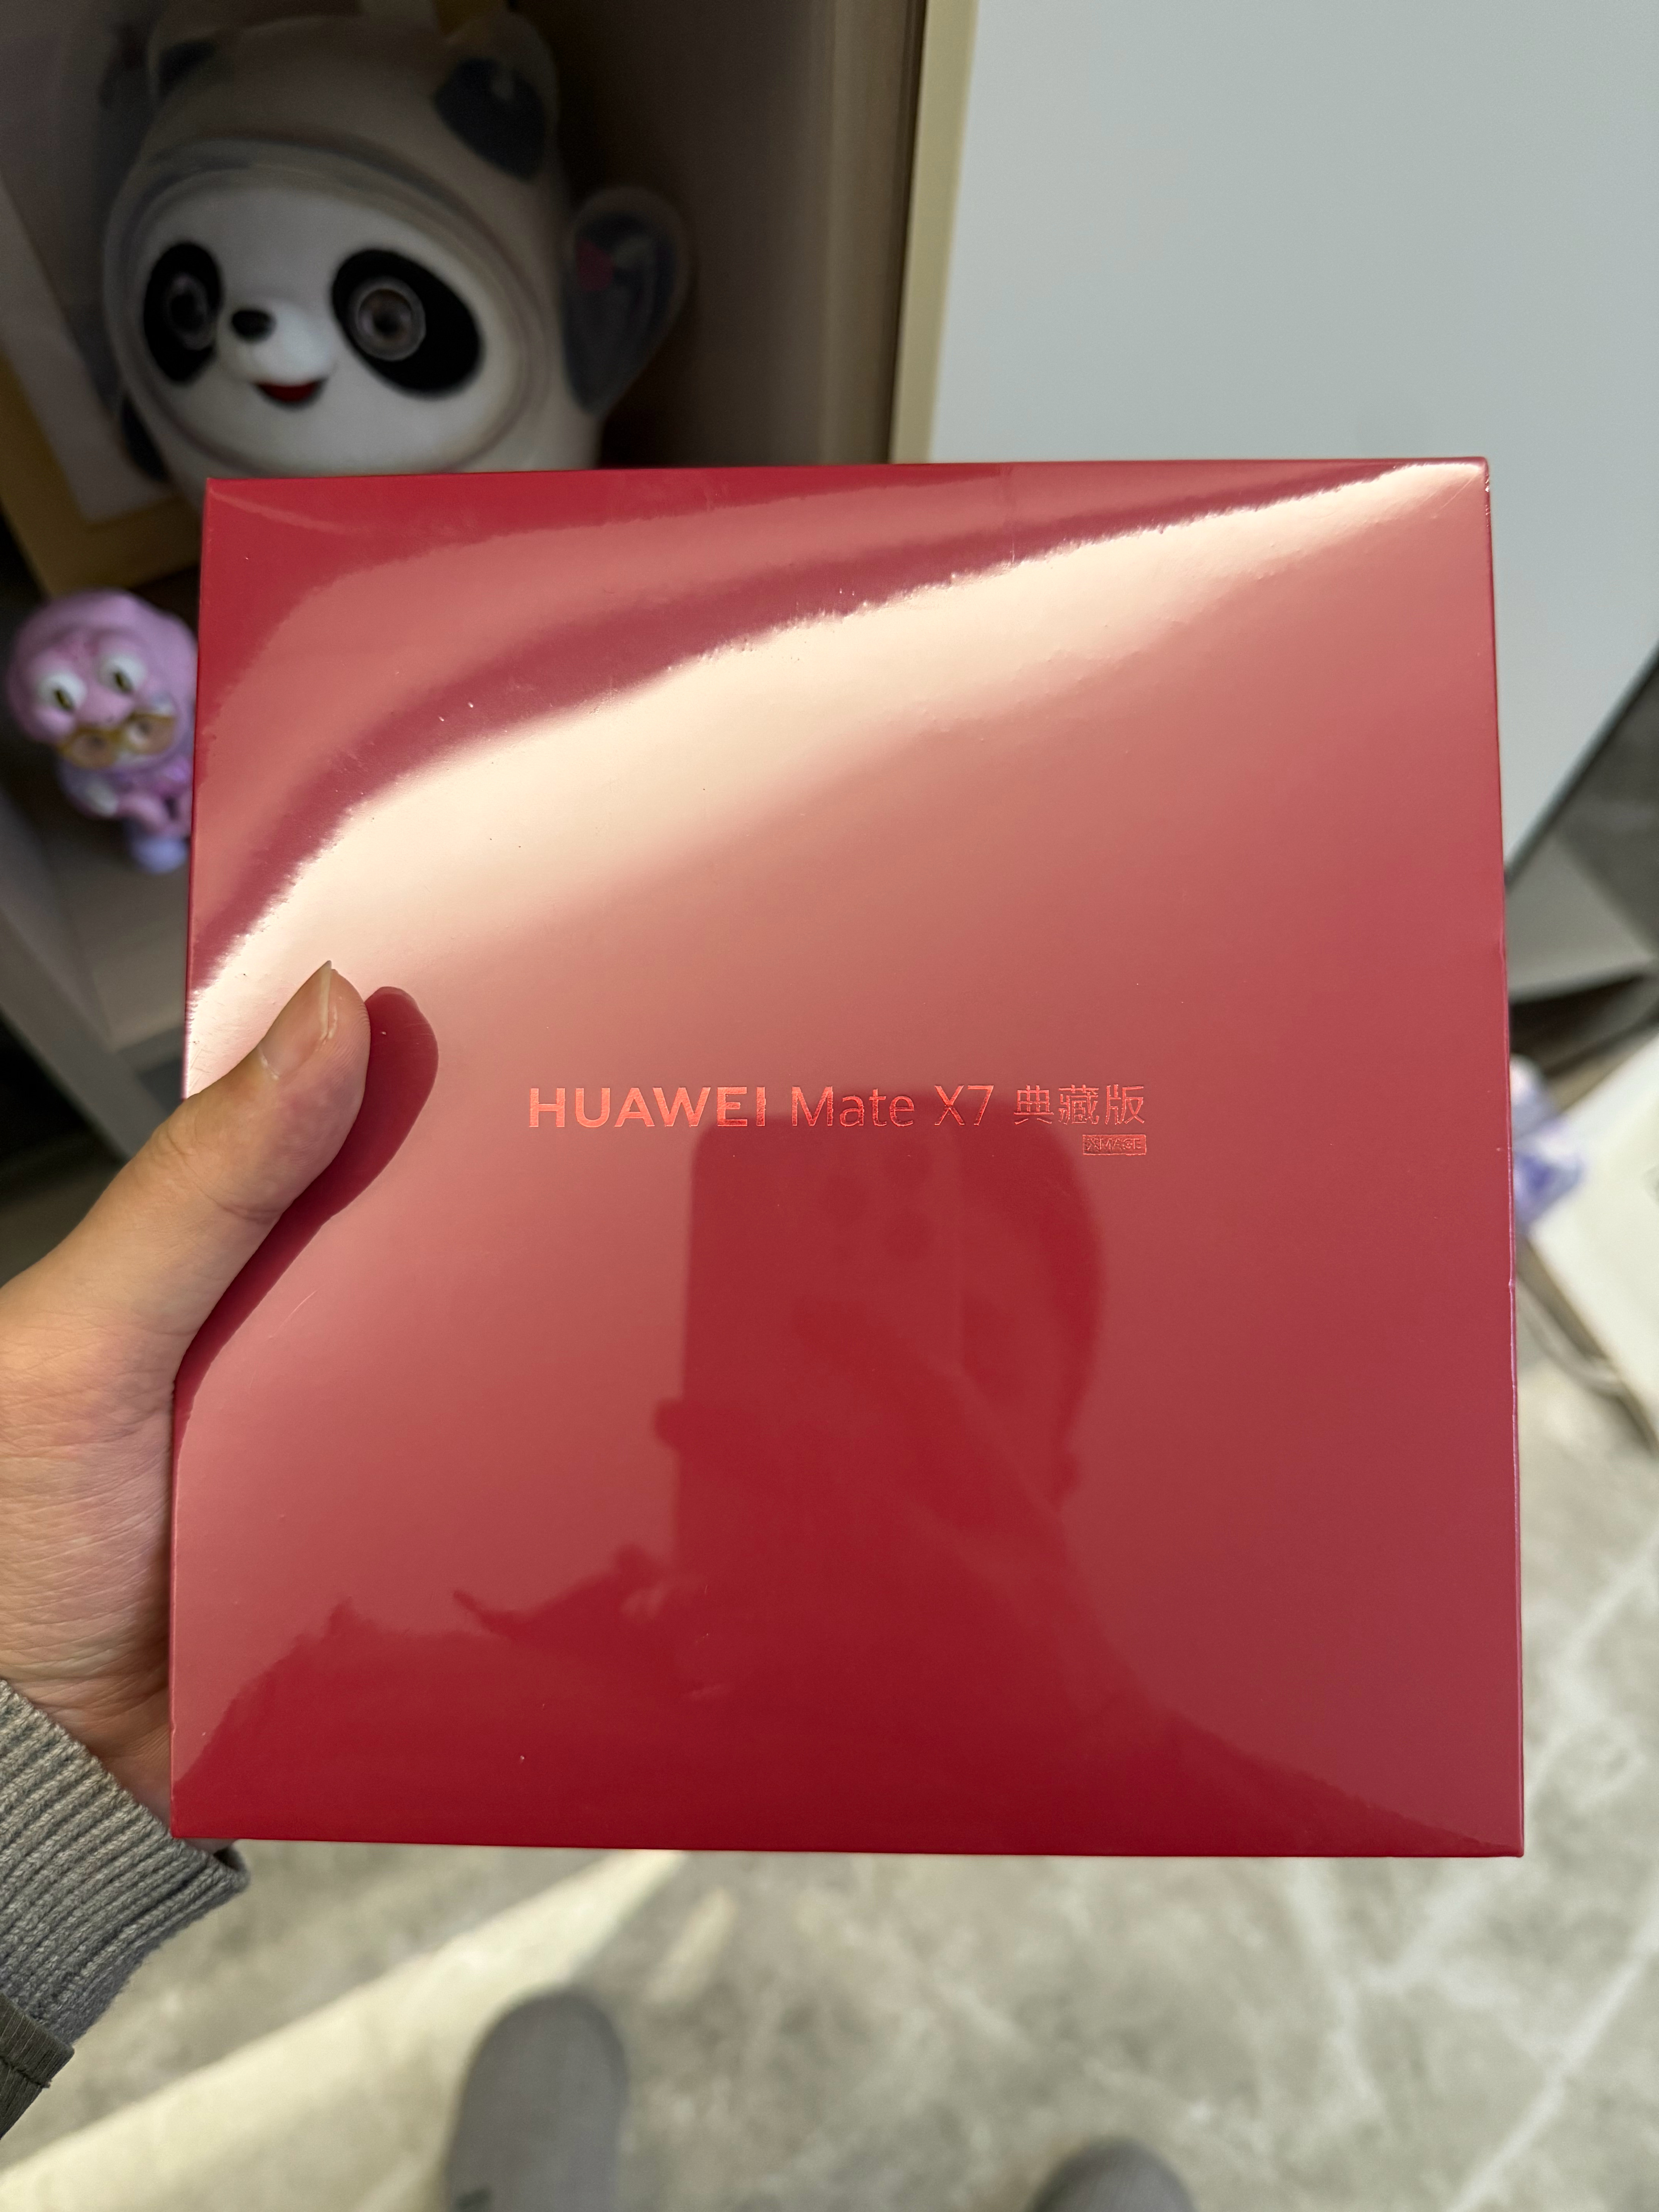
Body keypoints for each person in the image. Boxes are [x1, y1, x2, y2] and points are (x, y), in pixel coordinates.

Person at [0, 964, 1197, 2209]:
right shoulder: (439, 1682)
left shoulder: (1133, 1758)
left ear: (1058, 1472)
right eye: (820, 1340)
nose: (879, 1410)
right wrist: (62, 1717)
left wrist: (1102, 1744)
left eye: (965, 1360)